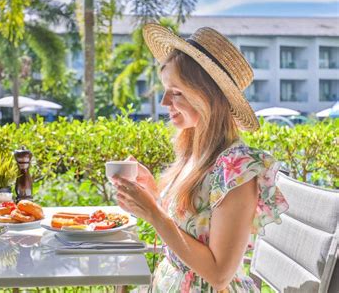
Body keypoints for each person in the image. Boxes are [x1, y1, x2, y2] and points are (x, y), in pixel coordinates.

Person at [111, 24, 289, 292]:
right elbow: (195, 223)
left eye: (176, 91)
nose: (164, 102)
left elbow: (219, 275)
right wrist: (153, 193)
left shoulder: (237, 169)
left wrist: (153, 213)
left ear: (207, 96)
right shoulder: (195, 152)